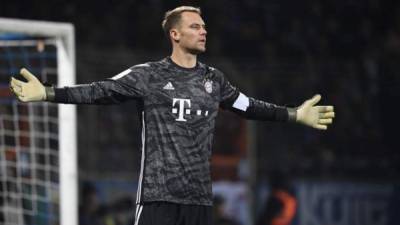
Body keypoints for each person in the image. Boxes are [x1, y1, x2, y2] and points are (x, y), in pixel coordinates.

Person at [9, 6, 335, 225]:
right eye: (195, 26)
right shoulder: (148, 75)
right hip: (157, 198)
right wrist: (48, 92)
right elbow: (100, 90)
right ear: (175, 35)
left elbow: (249, 107)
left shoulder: (214, 80)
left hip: (198, 200)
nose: (203, 31)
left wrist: (294, 114)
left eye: (204, 26)